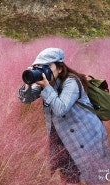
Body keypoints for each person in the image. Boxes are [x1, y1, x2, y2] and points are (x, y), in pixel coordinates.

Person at [18, 48, 110, 185]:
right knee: (69, 178)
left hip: (86, 136)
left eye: (47, 66)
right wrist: (28, 82)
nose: (42, 70)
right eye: (39, 67)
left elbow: (61, 108)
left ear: (60, 68)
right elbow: (25, 99)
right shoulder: (46, 82)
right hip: (63, 140)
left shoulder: (72, 82)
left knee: (94, 177)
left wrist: (46, 87)